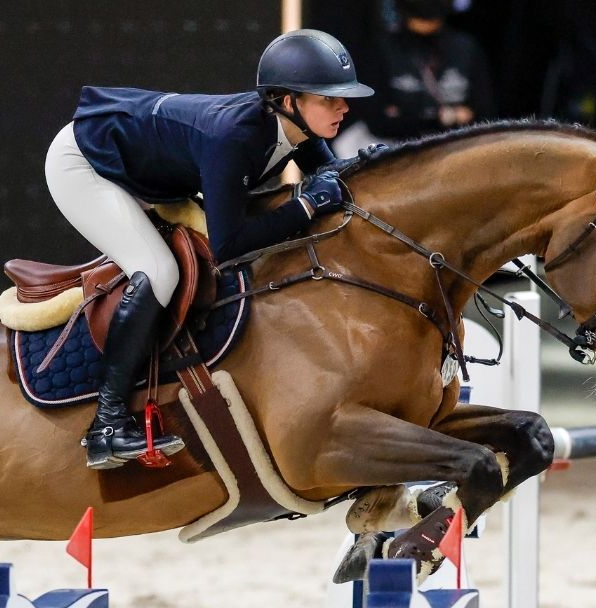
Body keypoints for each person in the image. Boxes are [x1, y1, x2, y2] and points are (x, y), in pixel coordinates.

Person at [46, 29, 374, 469]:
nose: (344, 106)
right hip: (86, 162)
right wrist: (306, 204)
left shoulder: (298, 131)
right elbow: (231, 245)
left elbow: (337, 182)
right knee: (159, 271)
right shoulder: (233, 138)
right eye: (328, 98)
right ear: (284, 99)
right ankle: (106, 426)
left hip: (144, 166)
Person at [364, 0, 495, 142]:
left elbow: (484, 116)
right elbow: (377, 122)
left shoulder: (466, 48)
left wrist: (406, 117)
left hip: (457, 147)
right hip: (399, 149)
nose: (426, 27)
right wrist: (448, 117)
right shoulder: (383, 50)